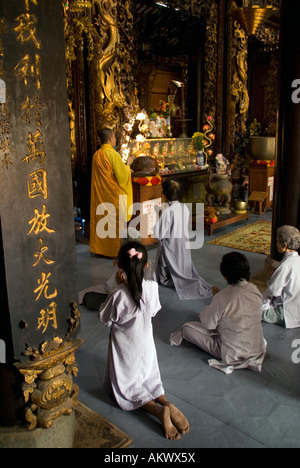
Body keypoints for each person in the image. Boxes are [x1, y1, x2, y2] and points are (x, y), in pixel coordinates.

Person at [98, 241, 190, 440]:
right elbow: (154, 310)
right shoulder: (152, 287)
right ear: (146, 266)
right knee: (149, 377)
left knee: (128, 386)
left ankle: (158, 411)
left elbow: (105, 319)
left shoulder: (118, 293)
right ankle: (166, 402)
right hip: (146, 346)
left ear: (119, 266)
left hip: (126, 350)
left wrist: (118, 286)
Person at [170, 252, 266, 374]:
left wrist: (216, 299)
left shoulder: (222, 297)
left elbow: (208, 324)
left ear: (225, 275)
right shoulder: (254, 289)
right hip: (256, 348)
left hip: (231, 351)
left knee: (186, 329)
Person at [153, 178, 215, 300]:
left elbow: (159, 234)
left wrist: (159, 217)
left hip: (170, 244)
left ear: (164, 194)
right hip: (182, 242)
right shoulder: (184, 207)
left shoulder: (167, 211)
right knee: (182, 260)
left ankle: (168, 277)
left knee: (166, 254)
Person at [90, 128, 134, 258]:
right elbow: (121, 177)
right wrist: (128, 165)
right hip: (113, 194)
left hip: (100, 194)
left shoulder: (97, 154)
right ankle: (114, 251)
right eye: (114, 137)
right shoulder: (113, 154)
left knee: (101, 220)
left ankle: (100, 249)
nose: (115, 139)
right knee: (114, 222)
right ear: (110, 139)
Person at [262, 225, 300, 328]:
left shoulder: (286, 265)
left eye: (278, 242)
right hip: (297, 306)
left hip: (286, 312)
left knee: (252, 307)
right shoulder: (296, 259)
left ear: (284, 245)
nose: (276, 244)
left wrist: (272, 278)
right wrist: (275, 275)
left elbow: (273, 291)